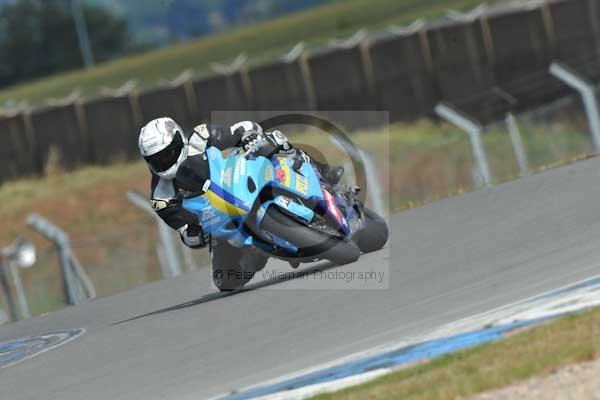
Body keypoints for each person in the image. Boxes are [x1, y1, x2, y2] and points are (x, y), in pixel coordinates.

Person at [138, 117, 344, 289]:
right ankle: (256, 254)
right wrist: (196, 234)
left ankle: (322, 172)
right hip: (218, 221)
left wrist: (248, 136)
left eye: (167, 154)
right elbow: (184, 228)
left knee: (272, 141)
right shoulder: (161, 197)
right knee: (225, 281)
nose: (163, 162)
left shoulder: (200, 137)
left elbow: (239, 129)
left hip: (237, 180)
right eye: (156, 159)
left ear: (178, 140)